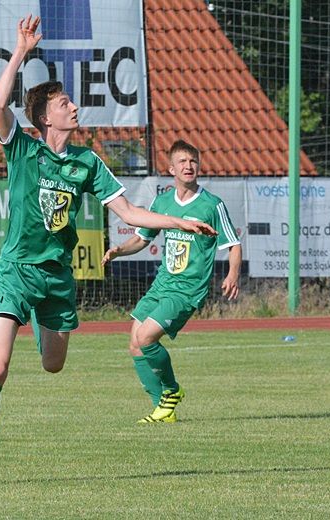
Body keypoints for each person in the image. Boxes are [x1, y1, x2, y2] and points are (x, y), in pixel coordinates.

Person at [0, 15, 217, 488]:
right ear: (44, 118)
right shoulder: (21, 147)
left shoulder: (87, 162)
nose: (73, 107)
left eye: (71, 101)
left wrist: (178, 221)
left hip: (56, 277)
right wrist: (20, 50)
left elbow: (133, 213)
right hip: (16, 271)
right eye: (63, 103)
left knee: (53, 365)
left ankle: (39, 320)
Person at [102, 139, 242, 423]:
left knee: (145, 338)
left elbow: (234, 244)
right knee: (134, 343)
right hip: (162, 285)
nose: (189, 166)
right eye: (183, 162)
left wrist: (232, 274)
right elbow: (142, 239)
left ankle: (172, 390)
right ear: (171, 169)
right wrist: (118, 250)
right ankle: (162, 409)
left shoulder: (212, 205)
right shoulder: (162, 202)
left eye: (193, 161)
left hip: (187, 290)